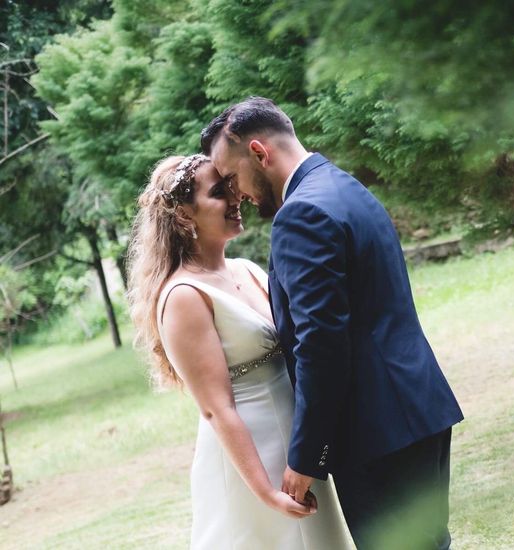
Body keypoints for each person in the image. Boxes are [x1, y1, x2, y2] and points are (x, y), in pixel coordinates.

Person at [201, 96, 464, 549]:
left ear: (260, 153)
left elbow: (321, 344)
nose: (236, 193)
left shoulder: (300, 215)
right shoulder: (343, 186)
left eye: (231, 177)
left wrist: (306, 457)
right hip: (417, 409)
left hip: (376, 429)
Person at [126, 154, 354, 549]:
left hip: (297, 444)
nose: (236, 199)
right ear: (184, 214)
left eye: (231, 188)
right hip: (252, 456)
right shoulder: (184, 296)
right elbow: (217, 408)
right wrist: (264, 492)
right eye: (218, 193)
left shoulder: (247, 269)